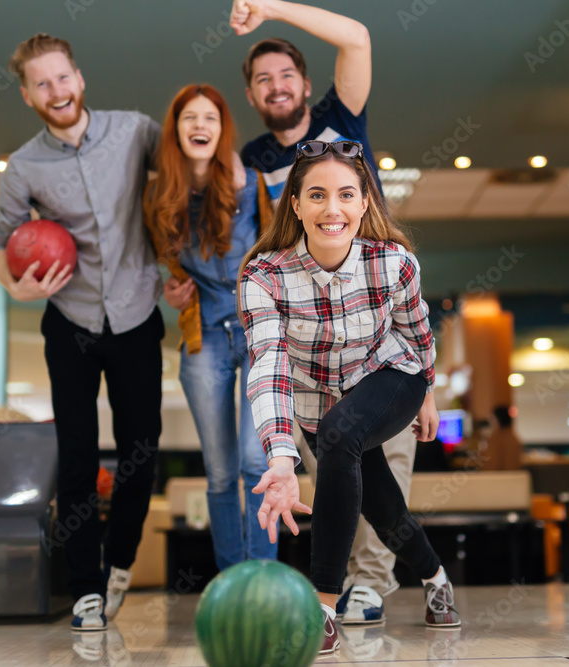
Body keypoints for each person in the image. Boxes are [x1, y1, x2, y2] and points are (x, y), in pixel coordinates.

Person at [231, 0, 415, 626]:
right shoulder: (254, 160)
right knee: (338, 465)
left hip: (380, 329)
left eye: (286, 75)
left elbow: (358, 37)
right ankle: (340, 584)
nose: (277, 86)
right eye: (263, 80)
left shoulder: (342, 121)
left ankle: (369, 584)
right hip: (313, 342)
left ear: (306, 85)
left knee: (384, 457)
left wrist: (267, 8)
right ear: (253, 95)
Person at [238, 140, 461, 655]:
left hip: (391, 376)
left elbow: (417, 331)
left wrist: (427, 390)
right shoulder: (264, 276)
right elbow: (268, 365)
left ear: (365, 203)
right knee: (383, 505)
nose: (331, 209)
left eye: (345, 195)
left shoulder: (393, 263)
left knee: (341, 435)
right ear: (295, 205)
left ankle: (322, 607)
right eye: (316, 195)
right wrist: (280, 455)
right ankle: (436, 579)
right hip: (317, 400)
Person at [0, 33, 163, 631]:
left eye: (62, 78)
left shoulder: (136, 130)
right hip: (70, 321)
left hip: (138, 313)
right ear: (27, 95)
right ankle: (86, 588)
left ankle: (119, 563)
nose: (56, 91)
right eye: (42, 83)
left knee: (142, 454)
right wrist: (16, 288)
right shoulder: (24, 166)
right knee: (78, 459)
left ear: (79, 79)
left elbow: (186, 184)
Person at [143, 84, 275, 571]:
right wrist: (171, 288)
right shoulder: (159, 195)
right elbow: (163, 263)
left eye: (211, 119)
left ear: (223, 131)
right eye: (190, 118)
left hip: (259, 332)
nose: (200, 125)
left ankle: (262, 578)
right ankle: (231, 581)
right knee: (220, 473)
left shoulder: (250, 183)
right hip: (204, 337)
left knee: (255, 462)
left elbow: (277, 253)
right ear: (176, 130)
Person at [483, 405, 524, 470]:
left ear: (497, 420)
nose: (490, 422)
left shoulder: (495, 439)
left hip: (499, 478)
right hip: (513, 478)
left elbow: (490, 466)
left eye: (492, 419)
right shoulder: (514, 438)